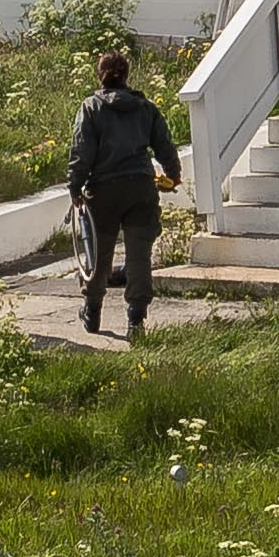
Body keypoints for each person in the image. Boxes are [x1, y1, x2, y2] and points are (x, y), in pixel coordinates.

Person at [67, 45, 180, 340]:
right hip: (141, 187)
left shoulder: (90, 108)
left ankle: (92, 311)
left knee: (99, 256)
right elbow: (165, 145)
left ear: (100, 75)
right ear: (127, 75)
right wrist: (173, 174)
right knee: (139, 257)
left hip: (102, 191)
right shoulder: (146, 108)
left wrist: (75, 186)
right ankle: (136, 320)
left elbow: (81, 152)